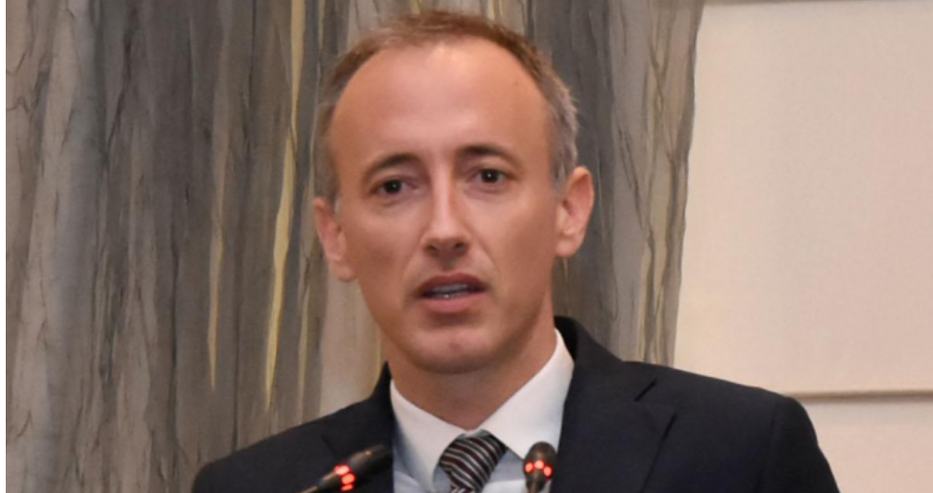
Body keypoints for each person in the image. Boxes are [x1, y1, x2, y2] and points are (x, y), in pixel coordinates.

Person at [192, 11, 838, 493]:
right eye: (394, 186)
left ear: (568, 210)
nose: (444, 229)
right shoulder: (260, 486)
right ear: (335, 236)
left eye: (488, 176)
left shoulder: (738, 454)